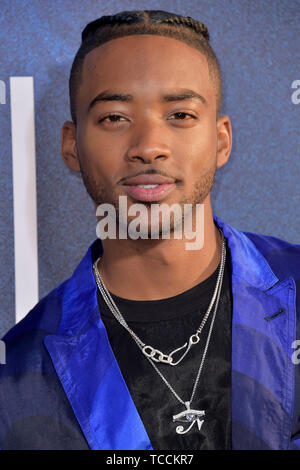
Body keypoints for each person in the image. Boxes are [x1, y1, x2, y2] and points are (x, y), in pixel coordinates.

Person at [0, 9, 299, 451]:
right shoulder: (19, 377)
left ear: (221, 141)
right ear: (71, 146)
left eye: (179, 114)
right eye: (115, 118)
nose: (148, 147)